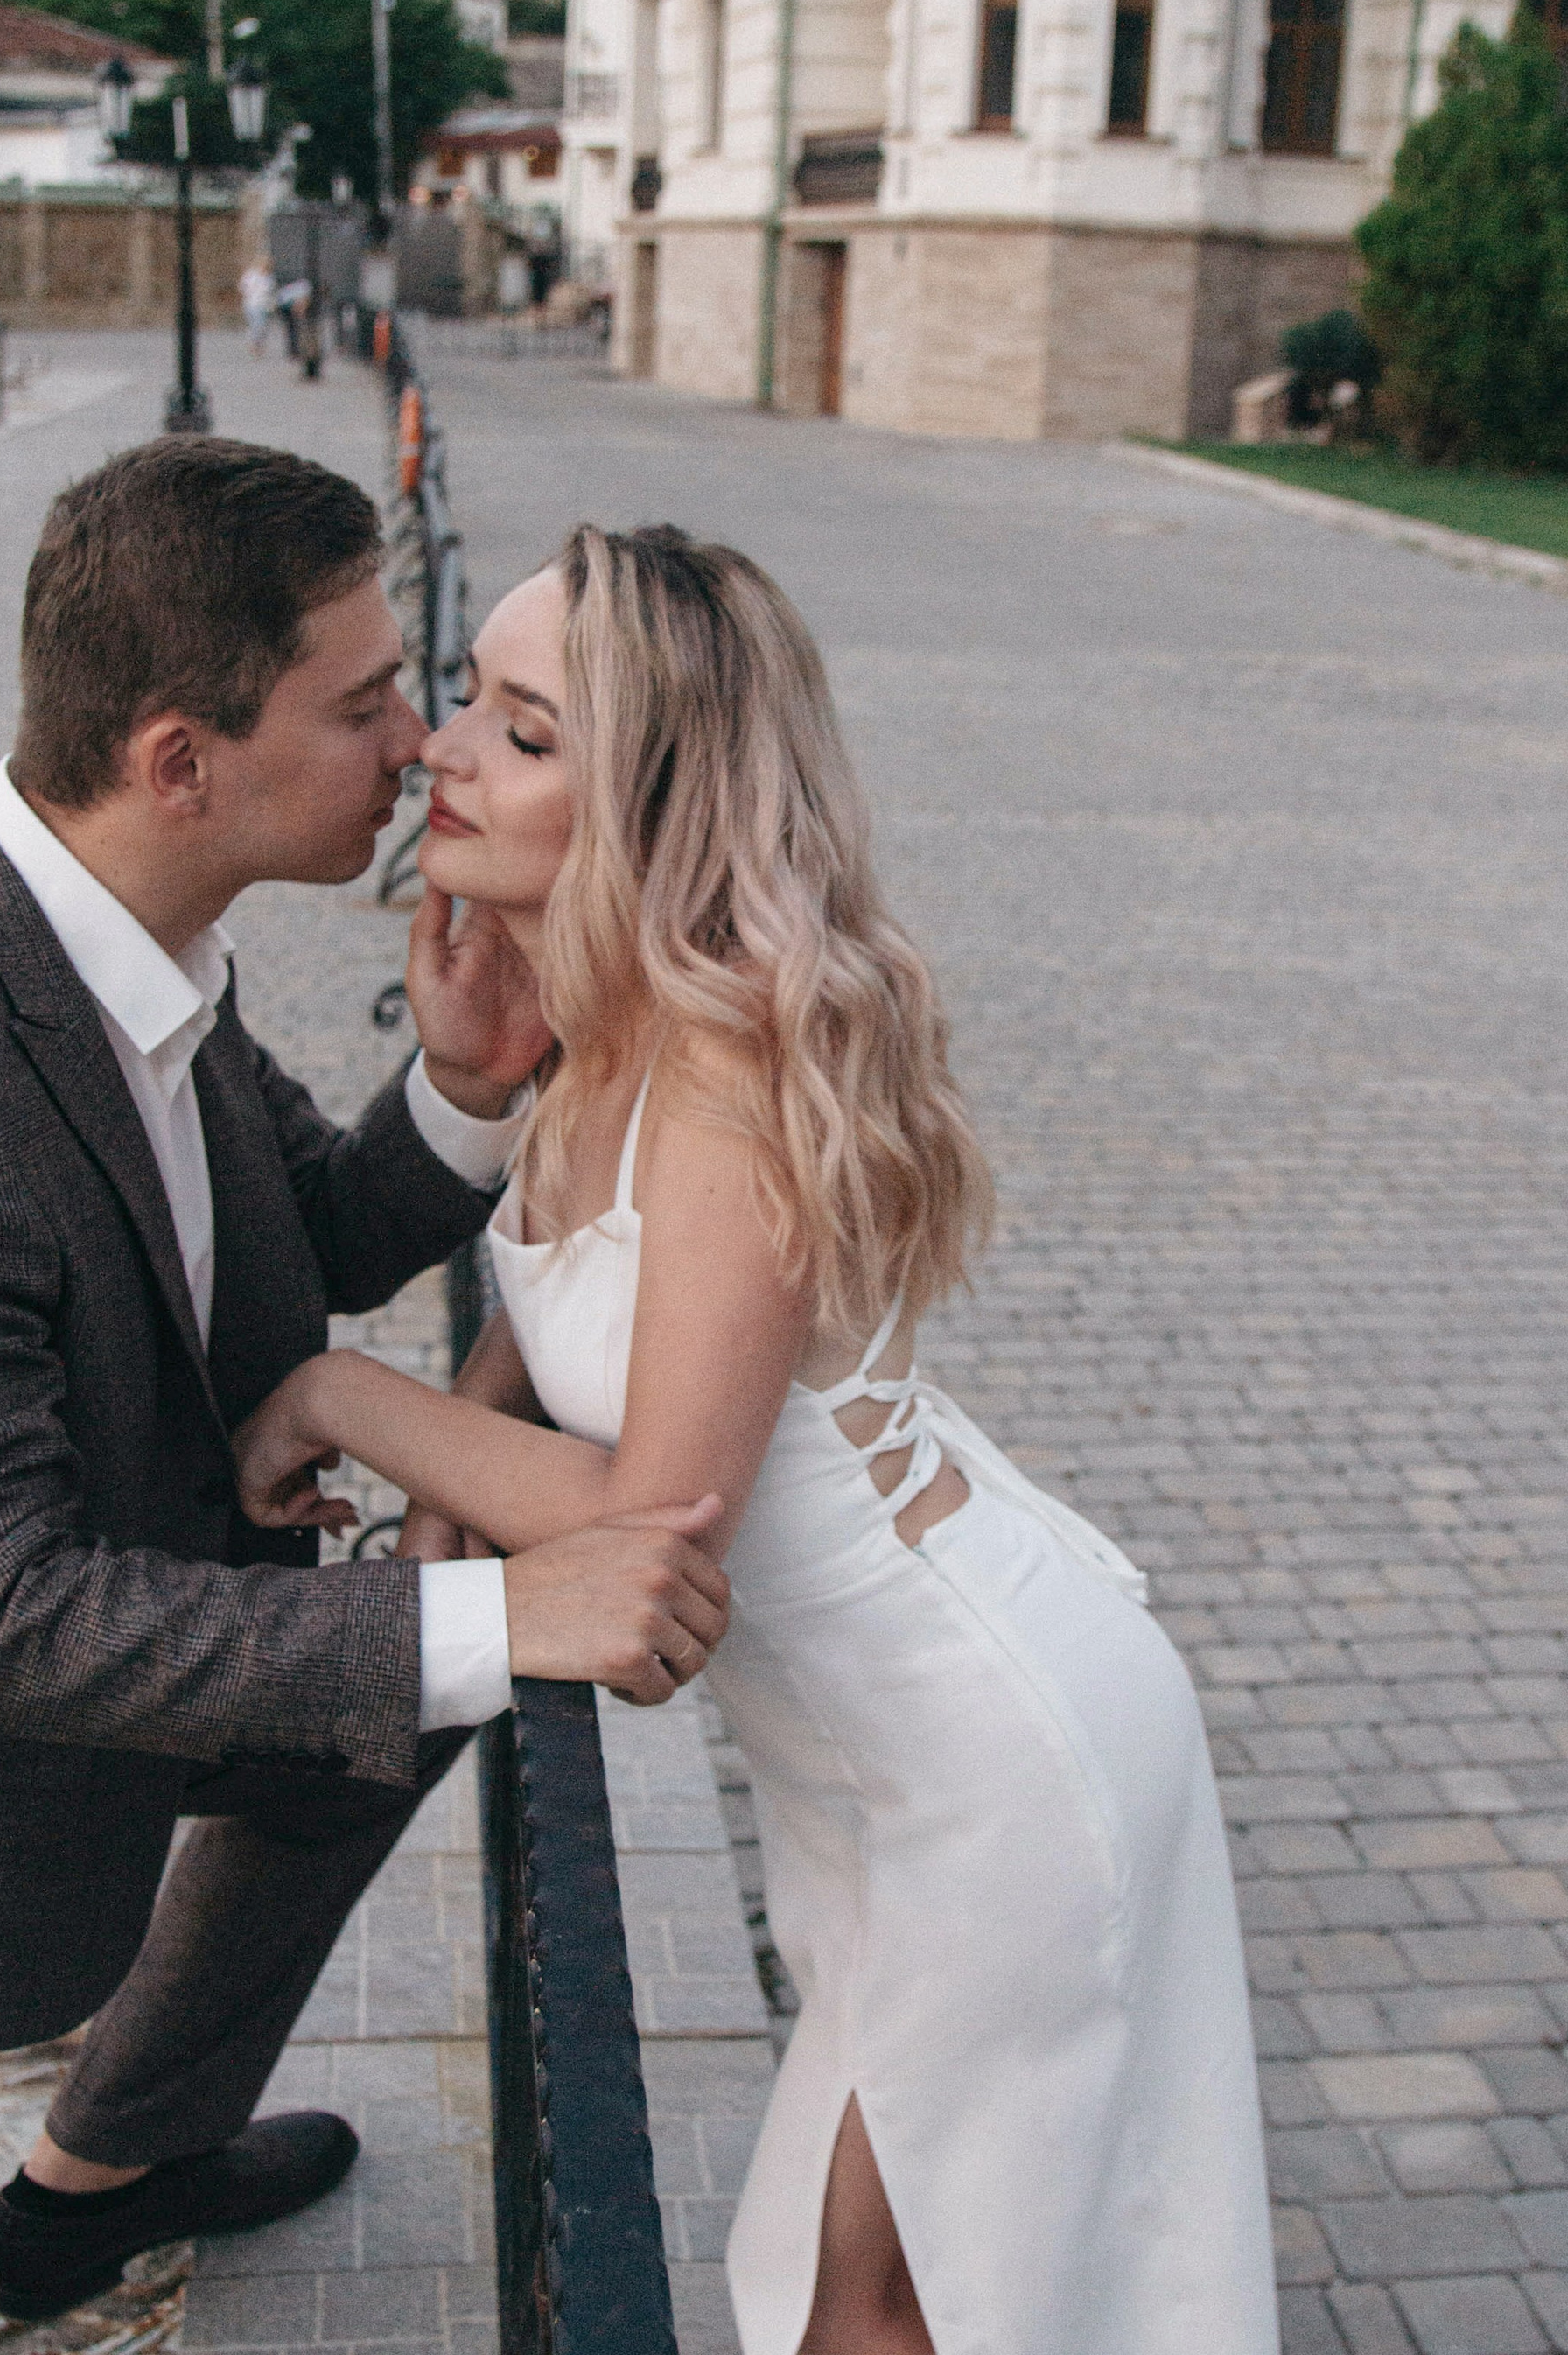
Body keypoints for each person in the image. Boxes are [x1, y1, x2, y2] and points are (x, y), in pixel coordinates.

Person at [0, 444, 729, 2353]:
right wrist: (502, 1601)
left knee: (395, 1705)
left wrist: (467, 1087)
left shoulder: (129, 942)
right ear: (177, 760)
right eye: (365, 703)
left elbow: (295, 1238)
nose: (417, 745)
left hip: (86, 1679)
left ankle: (115, 2165)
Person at [232, 523, 1280, 2355]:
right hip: (869, 1778)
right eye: (466, 698)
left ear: (656, 806)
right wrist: (471, 1382)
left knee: (889, 2302)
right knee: (875, 2286)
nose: (440, 751)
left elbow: (653, 1519)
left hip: (992, 1766)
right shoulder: (599, 1023)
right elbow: (582, 1306)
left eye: (523, 731)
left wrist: (342, 1397)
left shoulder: (719, 1078)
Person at [239, 254, 279, 354]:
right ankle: (253, 343)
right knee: (257, 324)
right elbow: (243, 287)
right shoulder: (252, 275)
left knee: (264, 326)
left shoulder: (270, 278)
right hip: (252, 303)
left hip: (265, 305)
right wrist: (250, 292)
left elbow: (272, 291)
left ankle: (259, 344)